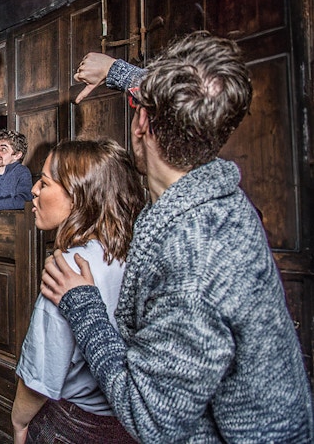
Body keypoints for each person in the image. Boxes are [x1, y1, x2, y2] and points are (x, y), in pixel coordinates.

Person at [41, 32, 314, 441]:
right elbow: (195, 99)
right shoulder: (212, 189)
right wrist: (119, 73)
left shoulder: (194, 256)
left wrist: (84, 305)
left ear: (141, 122)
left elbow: (151, 417)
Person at [11, 139, 144, 444]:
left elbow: (40, 376)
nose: (34, 190)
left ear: (79, 197)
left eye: (44, 183)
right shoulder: (136, 252)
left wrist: (18, 423)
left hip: (75, 424)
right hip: (130, 424)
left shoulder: (68, 269)